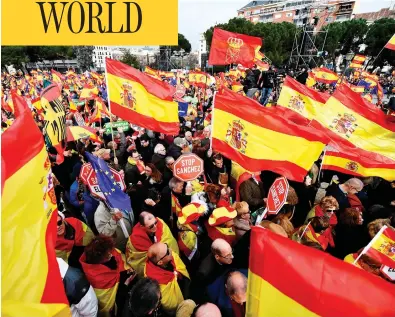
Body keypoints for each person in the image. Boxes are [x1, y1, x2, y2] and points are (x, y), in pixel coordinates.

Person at [80, 235, 134, 317]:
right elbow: (107, 301)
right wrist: (124, 284)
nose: (111, 255)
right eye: (107, 255)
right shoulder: (96, 278)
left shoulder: (111, 252)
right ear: (99, 260)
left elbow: (121, 261)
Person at [126, 211, 179, 277]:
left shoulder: (160, 223)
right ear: (142, 227)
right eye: (151, 226)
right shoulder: (135, 240)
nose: (155, 227)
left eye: (155, 223)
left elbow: (169, 240)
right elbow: (138, 260)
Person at [144, 242, 190, 314]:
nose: (171, 250)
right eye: (168, 252)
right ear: (160, 262)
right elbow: (170, 304)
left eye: (167, 246)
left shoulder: (170, 257)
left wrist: (177, 274)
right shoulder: (156, 283)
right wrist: (175, 277)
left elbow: (180, 267)